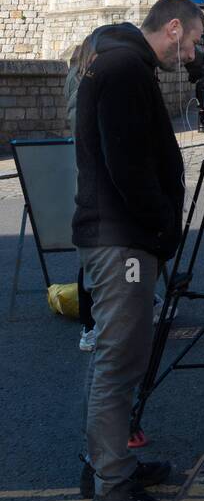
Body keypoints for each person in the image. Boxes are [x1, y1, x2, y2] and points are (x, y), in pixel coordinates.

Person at [73, 0, 204, 501]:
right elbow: (126, 163)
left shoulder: (118, 56)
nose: (193, 55)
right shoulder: (126, 66)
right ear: (173, 27)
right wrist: (160, 228)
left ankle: (107, 466)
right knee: (118, 361)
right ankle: (113, 499)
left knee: (116, 357)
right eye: (193, 41)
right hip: (121, 237)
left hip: (117, 234)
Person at [65, 38, 97, 351]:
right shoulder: (83, 91)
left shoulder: (81, 84)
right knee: (91, 258)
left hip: (89, 182)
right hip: (92, 185)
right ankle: (90, 326)